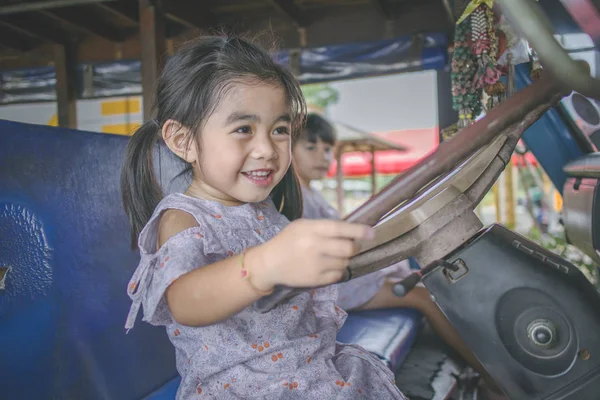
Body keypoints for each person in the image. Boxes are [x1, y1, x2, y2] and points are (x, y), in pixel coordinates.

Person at [121, 35, 407, 399]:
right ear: (183, 141)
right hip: (245, 389)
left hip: (307, 372)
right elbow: (184, 300)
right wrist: (263, 265)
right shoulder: (183, 218)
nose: (267, 149)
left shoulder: (265, 211)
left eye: (280, 130)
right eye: (243, 129)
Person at [293, 113, 505, 396]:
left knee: (427, 281)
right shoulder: (296, 199)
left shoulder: (311, 194)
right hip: (333, 286)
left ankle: (486, 364)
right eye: (311, 147)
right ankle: (493, 378)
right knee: (425, 297)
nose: (323, 156)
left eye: (328, 149)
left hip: (345, 277)